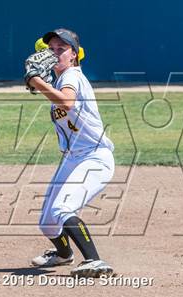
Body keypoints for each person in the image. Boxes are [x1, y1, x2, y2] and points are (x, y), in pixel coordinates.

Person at [26, 28, 115, 278]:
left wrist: (38, 82)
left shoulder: (72, 76)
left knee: (63, 209)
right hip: (72, 159)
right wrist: (43, 83)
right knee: (48, 223)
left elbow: (66, 102)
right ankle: (64, 254)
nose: (54, 53)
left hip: (94, 156)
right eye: (51, 49)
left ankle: (95, 261)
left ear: (74, 55)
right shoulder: (60, 79)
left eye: (61, 49)